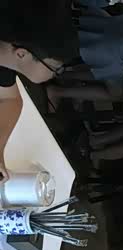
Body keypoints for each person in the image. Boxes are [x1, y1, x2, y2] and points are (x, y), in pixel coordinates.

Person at [0, 1, 79, 183]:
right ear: (22, 54)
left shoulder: (5, 61)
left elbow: (11, 99)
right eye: (54, 68)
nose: (54, 74)